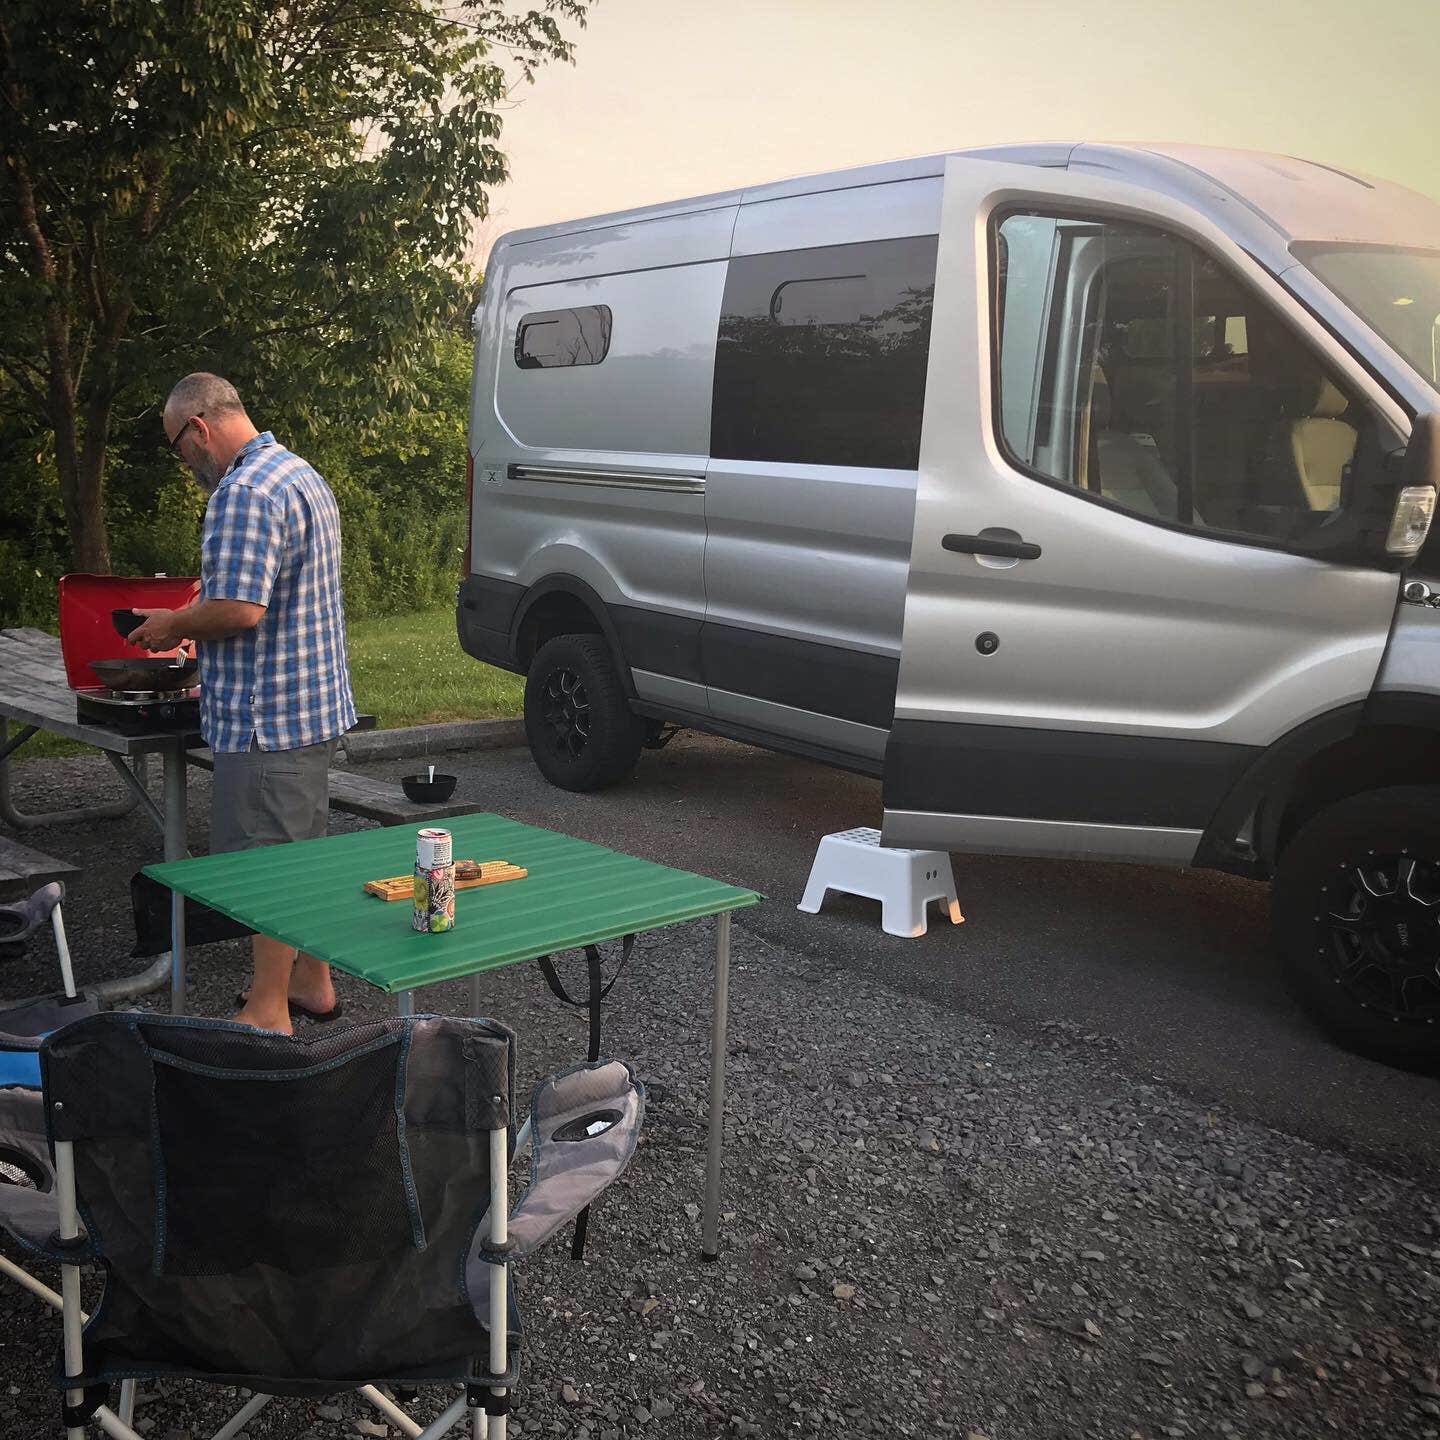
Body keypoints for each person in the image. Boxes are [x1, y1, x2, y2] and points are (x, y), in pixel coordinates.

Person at [130, 373, 357, 1034]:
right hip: (311, 707)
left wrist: (173, 624)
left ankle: (267, 1010)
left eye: (180, 449)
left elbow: (239, 608)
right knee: (302, 856)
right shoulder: (298, 473)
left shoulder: (244, 491)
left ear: (198, 426)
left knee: (266, 869)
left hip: (267, 719)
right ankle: (312, 981)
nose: (185, 465)